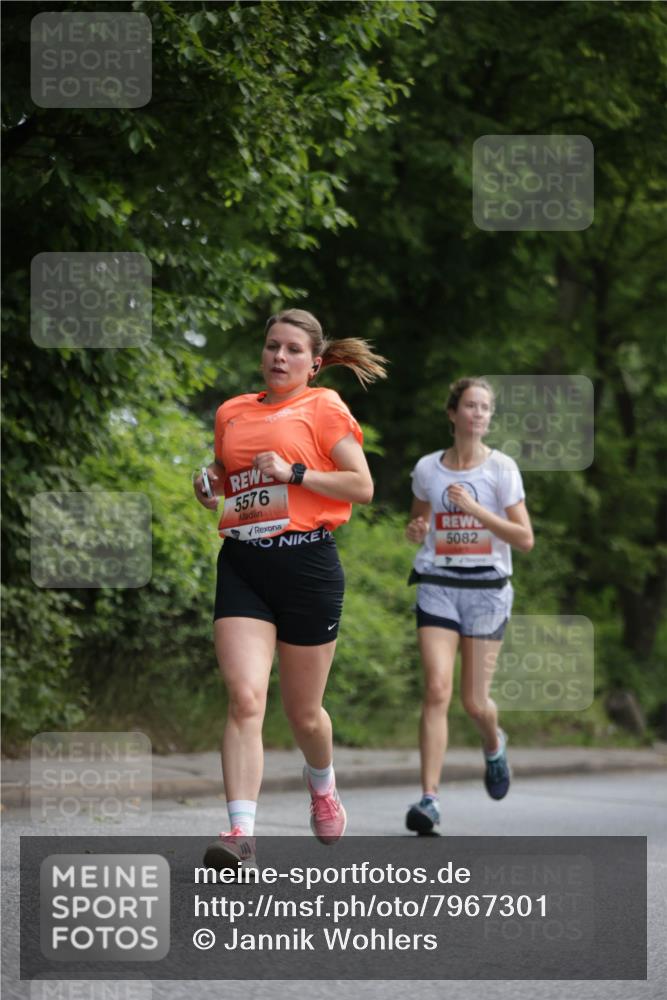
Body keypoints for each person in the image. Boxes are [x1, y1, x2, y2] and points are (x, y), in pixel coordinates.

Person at [193, 308, 387, 869]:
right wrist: (209, 484)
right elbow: (226, 475)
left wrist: (295, 474)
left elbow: (363, 486)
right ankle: (240, 835)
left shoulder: (324, 407)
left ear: (315, 363)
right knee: (245, 698)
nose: (279, 357)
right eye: (272, 346)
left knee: (303, 714)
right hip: (245, 565)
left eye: (293, 350)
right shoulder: (232, 411)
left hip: (308, 568)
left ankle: (322, 785)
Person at [404, 377, 533, 835]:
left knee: (475, 702)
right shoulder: (428, 468)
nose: (479, 414)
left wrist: (477, 512)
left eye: (486, 408)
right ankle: (429, 799)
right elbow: (418, 519)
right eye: (471, 406)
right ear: (453, 413)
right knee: (437, 689)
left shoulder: (501, 470)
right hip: (437, 583)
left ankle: (494, 746)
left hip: (487, 590)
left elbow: (525, 538)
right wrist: (416, 531)